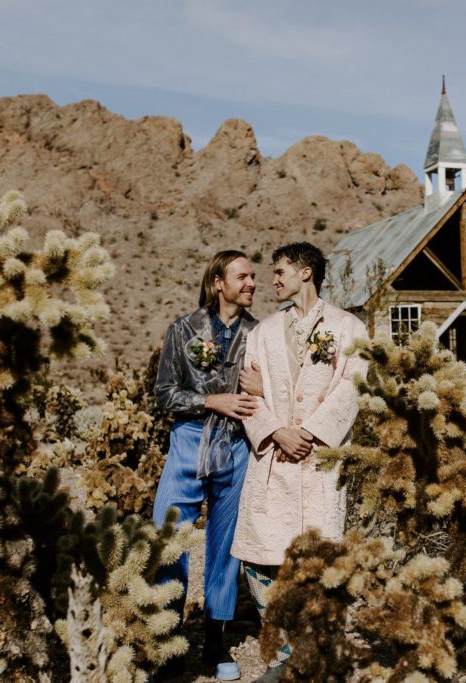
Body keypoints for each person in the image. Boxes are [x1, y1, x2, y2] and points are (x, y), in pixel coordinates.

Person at [233, 241, 368, 682]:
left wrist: (309, 432)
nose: (272, 280)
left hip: (318, 459)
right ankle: (280, 656)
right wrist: (277, 431)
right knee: (260, 556)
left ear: (306, 272)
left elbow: (353, 386)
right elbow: (249, 394)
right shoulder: (263, 332)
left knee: (318, 560)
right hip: (273, 458)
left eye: (280, 271)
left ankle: (317, 654)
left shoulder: (348, 327)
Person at [153, 250, 259, 681]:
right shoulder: (182, 329)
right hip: (189, 440)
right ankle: (165, 639)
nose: (252, 283)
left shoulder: (259, 334)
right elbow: (164, 393)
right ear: (218, 282)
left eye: (253, 276)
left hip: (236, 446)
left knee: (226, 543)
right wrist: (211, 400)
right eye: (243, 276)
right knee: (167, 535)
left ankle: (216, 641)